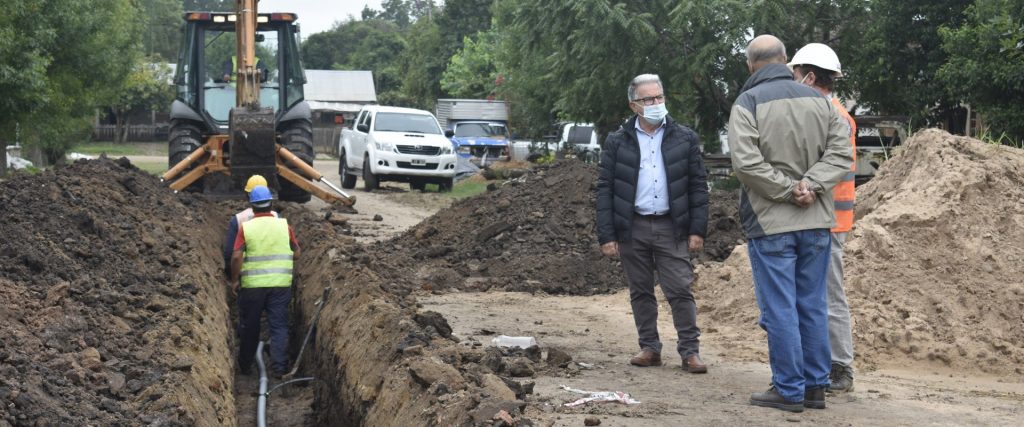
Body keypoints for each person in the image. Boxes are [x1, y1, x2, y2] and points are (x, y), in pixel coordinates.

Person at [727, 35, 853, 412]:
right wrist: (811, 186)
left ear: (751, 65)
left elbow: (747, 164)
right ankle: (815, 386)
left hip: (770, 224)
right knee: (813, 304)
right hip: (816, 221)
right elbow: (841, 153)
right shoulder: (823, 102)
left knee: (780, 307)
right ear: (785, 60)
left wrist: (786, 190)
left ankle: (788, 389)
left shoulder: (746, 103)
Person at [596, 73, 710, 374]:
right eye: (649, 99)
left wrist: (697, 229)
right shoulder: (618, 141)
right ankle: (649, 347)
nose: (657, 103)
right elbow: (605, 188)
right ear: (634, 105)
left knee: (680, 289)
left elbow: (698, 186)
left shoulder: (684, 138)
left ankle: (690, 351)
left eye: (659, 97)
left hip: (672, 226)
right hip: (632, 225)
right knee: (641, 290)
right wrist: (607, 234)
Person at [789, 43, 857, 393]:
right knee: (816, 297)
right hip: (819, 219)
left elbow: (834, 164)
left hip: (830, 223)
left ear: (810, 76)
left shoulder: (835, 116)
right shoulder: (822, 112)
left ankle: (841, 367)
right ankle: (819, 364)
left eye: (795, 75)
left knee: (829, 297)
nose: (792, 81)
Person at [229, 185, 301, 376]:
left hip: (252, 287)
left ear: (252, 207)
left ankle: (245, 366)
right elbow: (297, 253)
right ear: (271, 204)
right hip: (280, 285)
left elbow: (236, 256)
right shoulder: (284, 226)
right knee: (278, 326)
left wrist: (234, 280)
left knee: (250, 326)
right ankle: (279, 367)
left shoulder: (247, 228)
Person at [223, 175, 278, 279]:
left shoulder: (238, 219)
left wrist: (231, 277)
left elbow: (230, 254)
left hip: (247, 277)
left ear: (247, 195)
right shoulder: (278, 218)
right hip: (276, 276)